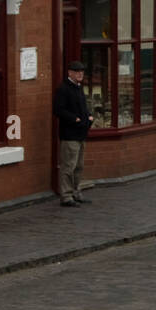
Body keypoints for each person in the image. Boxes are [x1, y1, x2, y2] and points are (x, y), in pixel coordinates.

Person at [52, 59, 93, 207]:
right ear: (70, 73)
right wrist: (75, 119)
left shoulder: (78, 88)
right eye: (77, 71)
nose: (80, 74)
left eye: (82, 71)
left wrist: (88, 116)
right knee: (68, 166)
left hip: (81, 133)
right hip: (69, 135)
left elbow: (82, 106)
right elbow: (58, 110)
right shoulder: (64, 89)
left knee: (79, 166)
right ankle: (66, 196)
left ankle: (76, 192)